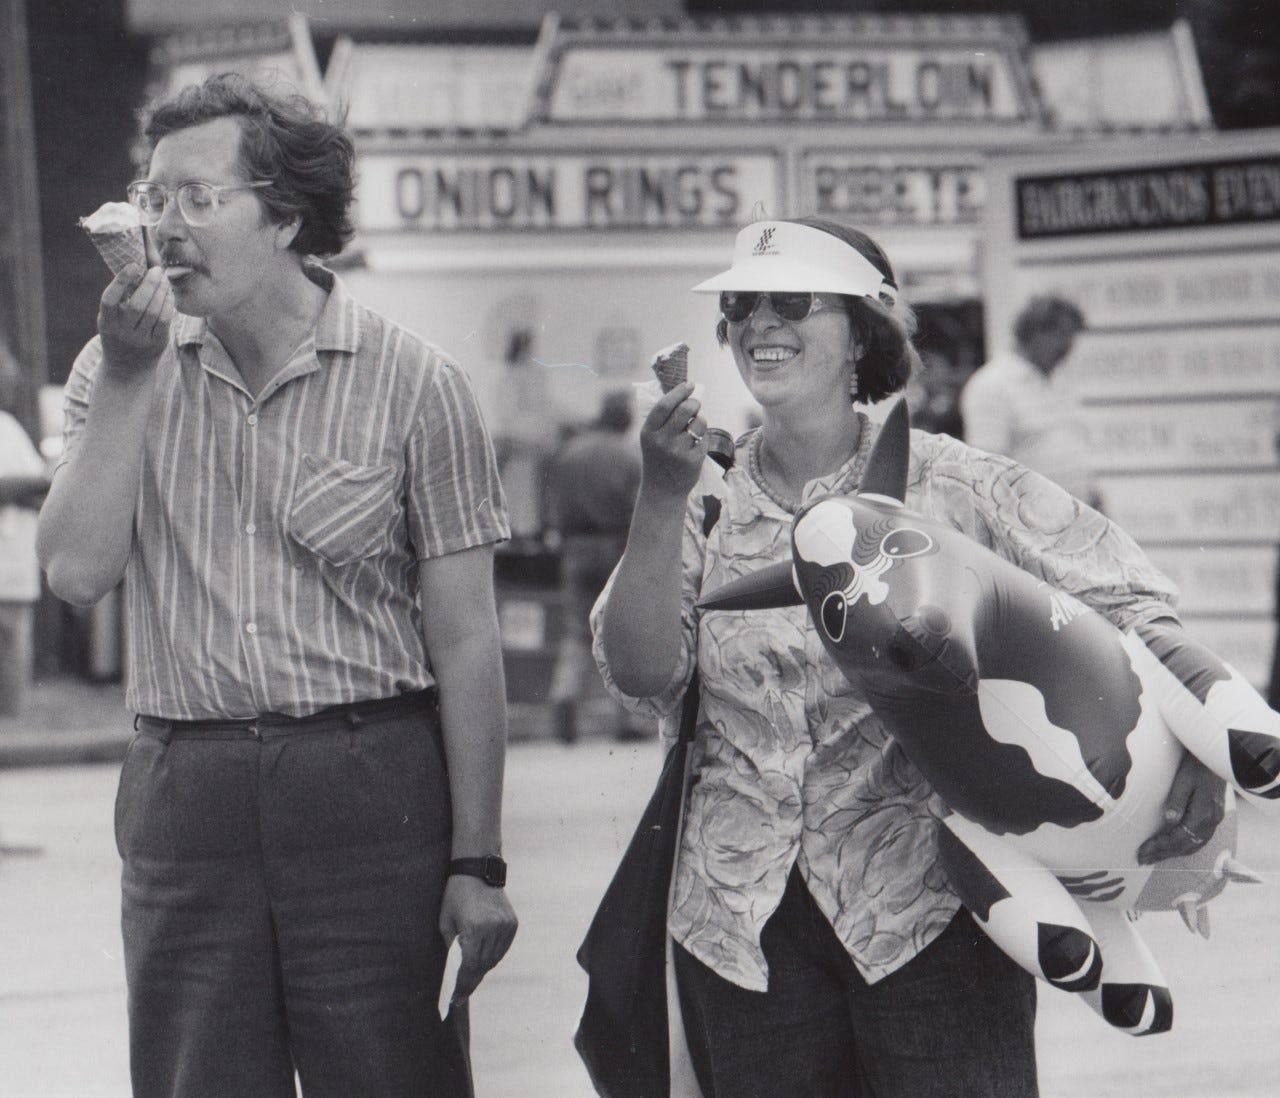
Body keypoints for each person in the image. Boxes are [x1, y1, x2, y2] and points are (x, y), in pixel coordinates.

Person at [593, 217, 1225, 1097]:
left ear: (863, 332)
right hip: (740, 930)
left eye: (791, 301)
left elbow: (1128, 598)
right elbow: (637, 673)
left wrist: (1197, 746)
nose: (758, 323)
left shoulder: (959, 485)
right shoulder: (703, 504)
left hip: (938, 914)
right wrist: (660, 499)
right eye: (740, 304)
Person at [36, 74, 517, 1098]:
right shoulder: (113, 366)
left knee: (391, 1077)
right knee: (195, 1078)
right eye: (151, 197)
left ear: (287, 214)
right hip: (187, 788)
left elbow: (468, 641)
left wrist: (477, 863)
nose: (162, 228)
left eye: (197, 199)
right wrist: (128, 376)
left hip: (367, 778)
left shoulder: (415, 383)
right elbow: (75, 574)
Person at [546, 389, 643, 743]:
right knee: (619, 634)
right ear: (624, 417)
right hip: (616, 547)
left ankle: (565, 695)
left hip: (575, 548)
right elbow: (639, 512)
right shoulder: (629, 457)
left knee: (575, 630)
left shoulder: (571, 453)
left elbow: (553, 503)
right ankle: (626, 720)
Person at [960, 294, 1101, 509]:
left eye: (1071, 337)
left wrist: (1091, 496)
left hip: (1075, 517)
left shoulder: (1058, 381)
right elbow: (987, 473)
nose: (1068, 347)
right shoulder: (992, 385)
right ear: (1035, 334)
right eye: (1061, 335)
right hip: (1030, 523)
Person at [0, 339, 49, 717]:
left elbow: (41, 487)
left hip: (15, 560)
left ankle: (13, 718)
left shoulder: (10, 428)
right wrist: (33, 486)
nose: (11, 387)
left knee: (16, 643)